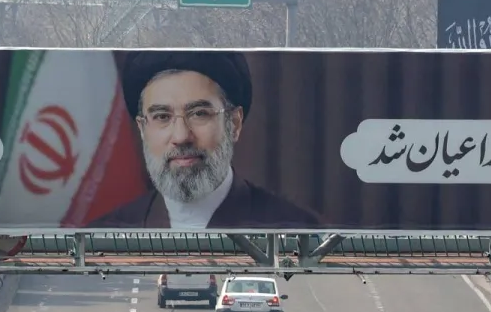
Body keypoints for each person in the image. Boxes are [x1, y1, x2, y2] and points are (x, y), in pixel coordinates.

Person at [88, 50, 322, 230]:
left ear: (234, 123)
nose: (181, 136)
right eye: (162, 116)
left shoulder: (300, 229)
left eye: (199, 113)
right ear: (142, 129)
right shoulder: (102, 235)